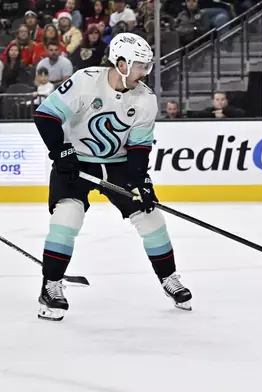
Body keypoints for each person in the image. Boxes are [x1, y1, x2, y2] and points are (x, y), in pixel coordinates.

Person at [33, 33, 192, 321]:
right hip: (76, 162)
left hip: (117, 164)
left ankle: (169, 279)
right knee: (67, 218)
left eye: (147, 65)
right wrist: (61, 151)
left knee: (151, 218)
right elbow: (46, 115)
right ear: (121, 63)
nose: (145, 72)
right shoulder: (85, 81)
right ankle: (50, 286)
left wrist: (141, 181)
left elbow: (139, 146)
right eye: (141, 66)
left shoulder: (145, 99)